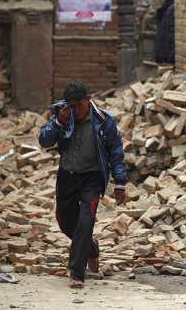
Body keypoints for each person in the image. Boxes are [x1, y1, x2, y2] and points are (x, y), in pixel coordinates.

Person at [38, 81, 127, 288]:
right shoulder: (61, 116)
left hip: (92, 178)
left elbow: (116, 152)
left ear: (88, 100)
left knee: (86, 221)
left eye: (79, 104)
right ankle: (91, 248)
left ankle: (76, 272)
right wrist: (58, 123)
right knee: (65, 221)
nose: (76, 110)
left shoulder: (104, 120)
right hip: (67, 176)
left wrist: (120, 182)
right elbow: (44, 141)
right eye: (72, 105)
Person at [155, 0, 185, 65]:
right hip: (168, 55)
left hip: (162, 52)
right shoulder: (174, 8)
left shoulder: (167, 3)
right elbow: (173, 33)